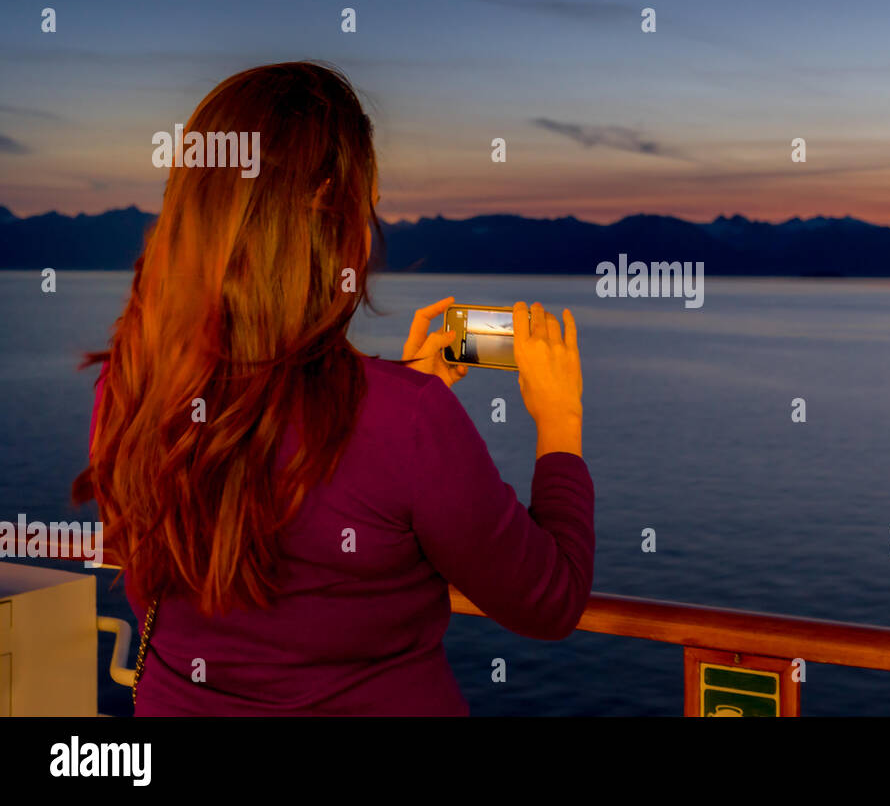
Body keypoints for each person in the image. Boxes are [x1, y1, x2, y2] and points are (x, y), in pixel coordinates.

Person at [72, 61, 593, 715]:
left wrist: (399, 401)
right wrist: (559, 420)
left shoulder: (128, 385)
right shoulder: (406, 421)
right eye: (365, 202)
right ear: (328, 207)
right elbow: (550, 603)